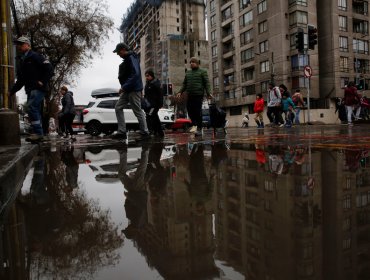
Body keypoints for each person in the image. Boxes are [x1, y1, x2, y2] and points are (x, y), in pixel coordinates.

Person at [9, 36, 53, 142]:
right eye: (18, 44)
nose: (19, 46)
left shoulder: (35, 56)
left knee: (32, 107)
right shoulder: (22, 61)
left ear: (28, 45)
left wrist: (42, 81)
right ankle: (38, 133)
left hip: (38, 88)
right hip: (30, 89)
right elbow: (21, 80)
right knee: (33, 109)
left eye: (21, 44)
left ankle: (38, 133)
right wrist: (12, 91)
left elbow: (49, 68)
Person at [112, 42, 150, 141]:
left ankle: (145, 133)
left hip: (133, 89)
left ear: (123, 50)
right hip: (128, 89)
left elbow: (136, 74)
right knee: (118, 107)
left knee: (137, 111)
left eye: (118, 52)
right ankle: (122, 132)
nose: (118, 55)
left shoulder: (131, 57)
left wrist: (124, 87)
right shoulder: (128, 59)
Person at [178, 57, 213, 136]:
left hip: (198, 94)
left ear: (197, 63)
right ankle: (195, 125)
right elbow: (184, 84)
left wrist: (208, 93)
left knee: (197, 112)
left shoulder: (202, 72)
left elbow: (206, 83)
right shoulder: (188, 73)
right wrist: (180, 92)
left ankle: (199, 128)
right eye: (190, 62)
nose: (191, 63)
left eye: (193, 62)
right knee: (190, 110)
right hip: (190, 95)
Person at [144, 70, 164, 138]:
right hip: (149, 105)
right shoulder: (147, 83)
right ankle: (158, 132)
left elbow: (160, 94)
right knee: (154, 117)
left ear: (151, 75)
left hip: (154, 105)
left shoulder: (156, 83)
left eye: (148, 76)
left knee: (150, 116)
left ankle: (154, 131)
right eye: (146, 76)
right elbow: (146, 95)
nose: (146, 77)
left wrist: (160, 104)